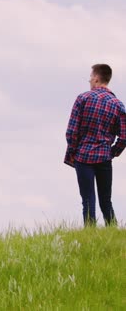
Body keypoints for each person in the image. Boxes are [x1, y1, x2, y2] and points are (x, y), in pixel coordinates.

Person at [65, 63, 126, 226]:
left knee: (88, 200)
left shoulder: (83, 98)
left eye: (91, 78)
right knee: (106, 201)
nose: (90, 81)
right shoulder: (118, 104)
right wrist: (112, 152)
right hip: (104, 157)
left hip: (83, 156)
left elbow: (71, 131)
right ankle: (113, 232)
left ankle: (90, 234)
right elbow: (124, 137)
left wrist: (73, 151)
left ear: (97, 78)